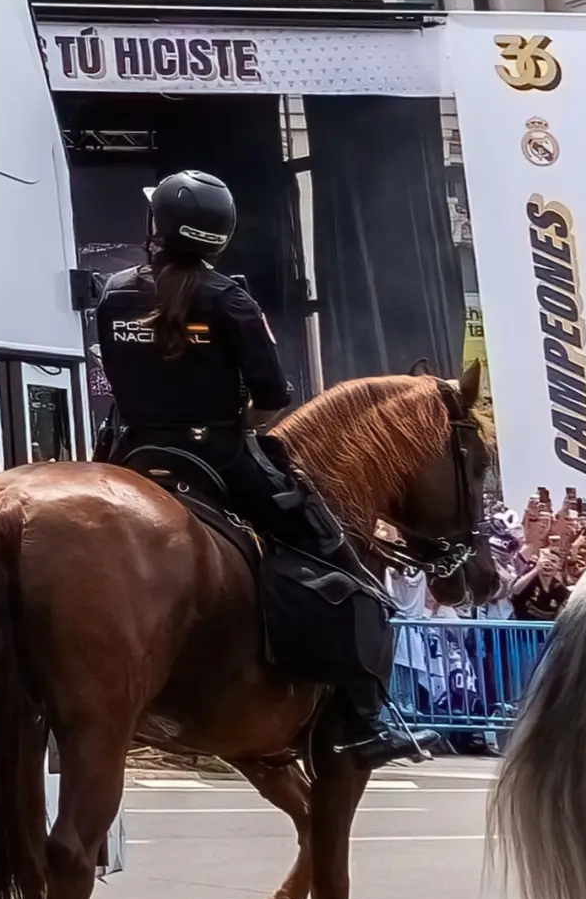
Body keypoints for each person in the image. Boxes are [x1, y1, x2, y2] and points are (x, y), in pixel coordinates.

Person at [90, 172, 421, 767]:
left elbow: (120, 375)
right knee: (337, 557)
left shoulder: (113, 292)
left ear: (158, 227)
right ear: (220, 236)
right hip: (217, 452)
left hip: (131, 454)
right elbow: (272, 395)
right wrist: (235, 419)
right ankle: (365, 715)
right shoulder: (231, 299)